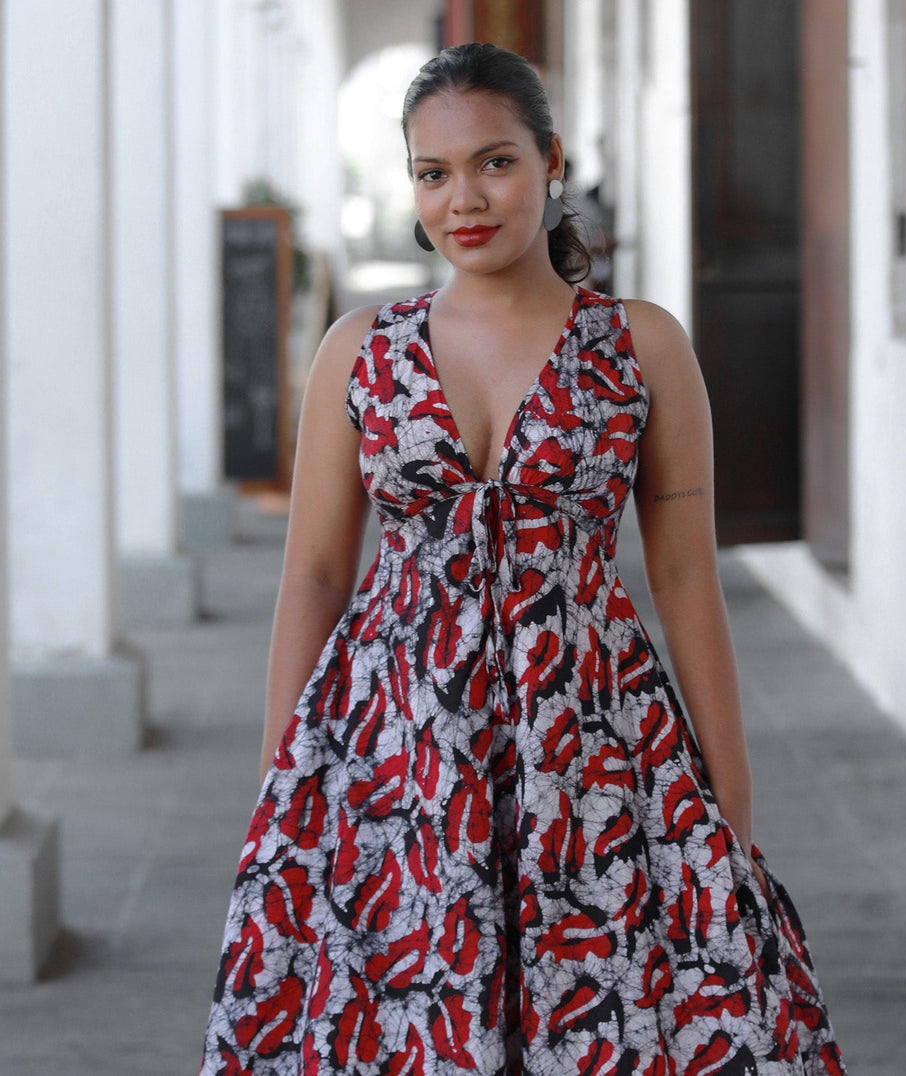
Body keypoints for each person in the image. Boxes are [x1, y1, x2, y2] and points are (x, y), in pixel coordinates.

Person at [200, 42, 846, 1076]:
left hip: (592, 743)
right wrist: (286, 792)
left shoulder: (641, 345)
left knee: (619, 1027)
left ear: (550, 162)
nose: (465, 197)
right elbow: (317, 573)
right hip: (393, 753)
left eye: (494, 162)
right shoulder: (357, 349)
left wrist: (728, 809)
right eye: (433, 172)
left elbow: (683, 577)